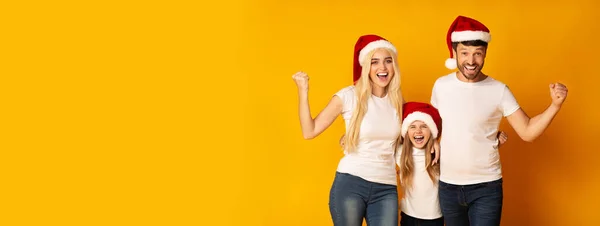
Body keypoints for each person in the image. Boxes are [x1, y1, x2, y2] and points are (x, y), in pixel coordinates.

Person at [432, 15, 569, 226]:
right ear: (454, 53)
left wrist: (555, 106)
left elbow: (528, 131)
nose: (471, 61)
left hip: (486, 187)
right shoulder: (441, 86)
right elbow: (436, 128)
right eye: (465, 53)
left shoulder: (499, 90)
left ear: (485, 53)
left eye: (477, 54)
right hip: (448, 186)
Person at [292, 34, 405, 226]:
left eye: (388, 61)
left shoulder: (398, 102)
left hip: (386, 188)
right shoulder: (348, 96)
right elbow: (309, 131)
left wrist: (433, 144)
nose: (383, 68)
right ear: (366, 67)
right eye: (375, 62)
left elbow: (405, 143)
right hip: (351, 183)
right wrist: (303, 91)